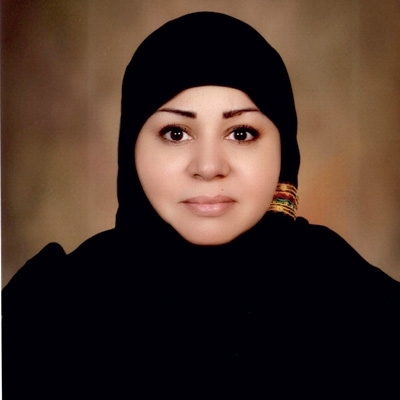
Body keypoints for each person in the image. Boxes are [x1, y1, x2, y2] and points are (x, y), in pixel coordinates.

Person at [2, 11, 400, 398]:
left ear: (284, 149)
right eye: (176, 133)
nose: (208, 167)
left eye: (241, 133)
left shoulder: (363, 309)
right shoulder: (47, 311)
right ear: (130, 146)